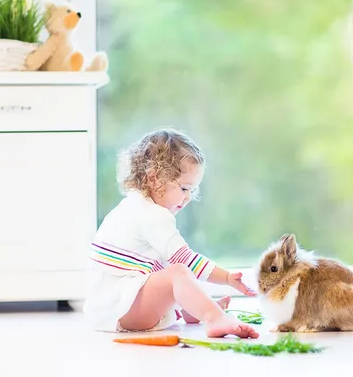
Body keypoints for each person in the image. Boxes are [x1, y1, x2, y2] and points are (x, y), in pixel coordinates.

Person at [83, 128, 259, 339]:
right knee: (178, 272)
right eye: (184, 189)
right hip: (122, 307)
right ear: (154, 179)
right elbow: (186, 261)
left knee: (168, 267)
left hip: (110, 306)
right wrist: (228, 278)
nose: (188, 198)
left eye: (192, 191)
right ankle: (213, 317)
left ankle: (196, 309)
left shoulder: (133, 205)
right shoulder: (153, 215)